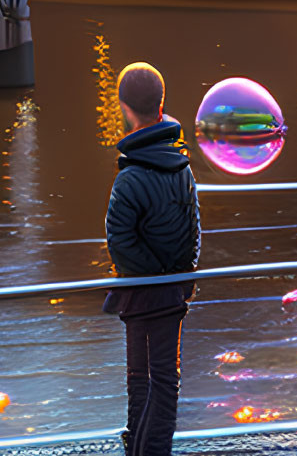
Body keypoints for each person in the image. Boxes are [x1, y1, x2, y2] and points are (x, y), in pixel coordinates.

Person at [105, 62, 200, 456]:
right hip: (172, 290)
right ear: (161, 105)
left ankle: (144, 451)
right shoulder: (182, 165)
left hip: (143, 292)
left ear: (124, 107)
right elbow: (194, 227)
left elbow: (119, 240)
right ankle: (141, 447)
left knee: (145, 378)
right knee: (161, 378)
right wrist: (180, 276)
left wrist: (152, 276)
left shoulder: (128, 179)